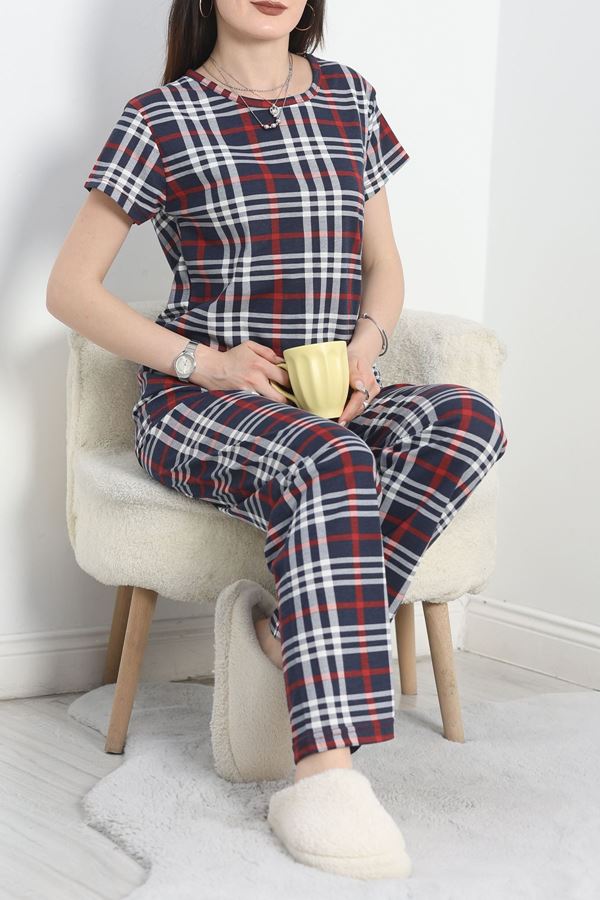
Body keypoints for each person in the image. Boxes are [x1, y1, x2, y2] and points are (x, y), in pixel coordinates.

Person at [47, 0, 508, 880]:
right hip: (200, 405)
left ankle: (283, 637)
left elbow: (383, 264)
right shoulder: (161, 116)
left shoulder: (349, 97)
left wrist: (367, 346)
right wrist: (203, 362)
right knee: (332, 463)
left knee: (465, 419)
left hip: (328, 393)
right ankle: (323, 774)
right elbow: (69, 288)